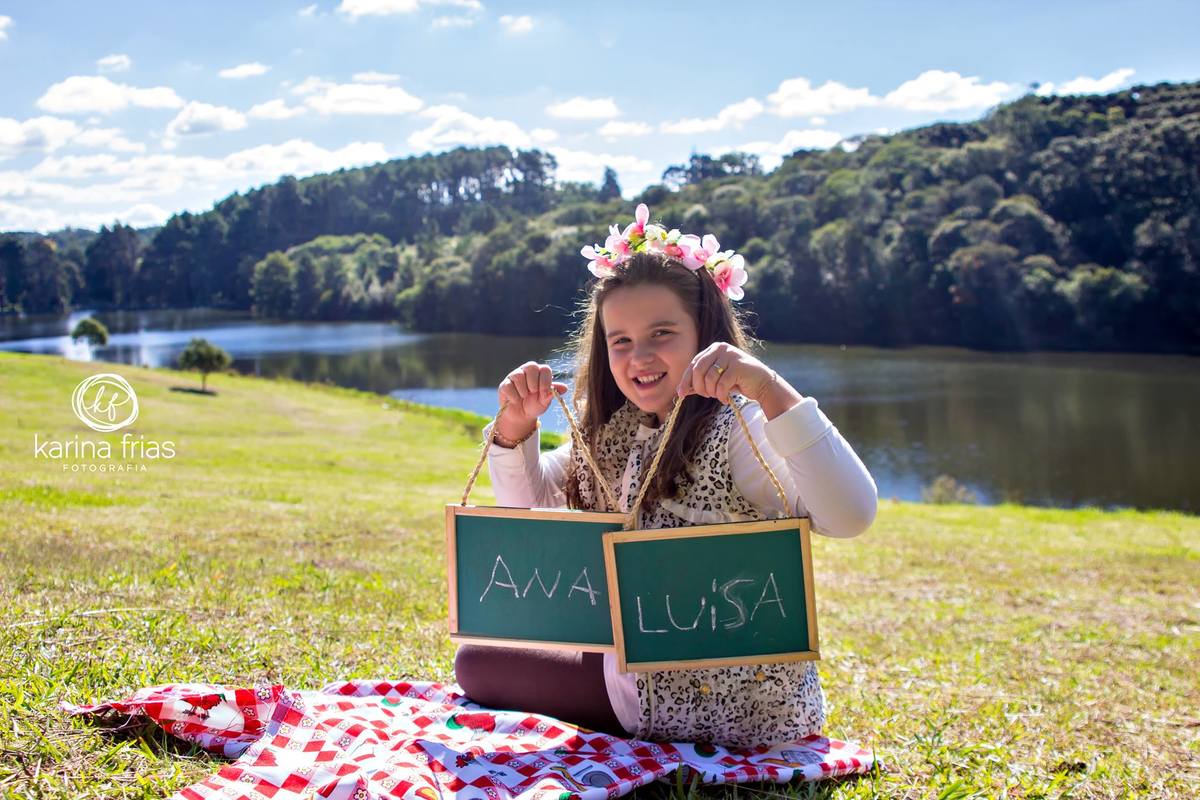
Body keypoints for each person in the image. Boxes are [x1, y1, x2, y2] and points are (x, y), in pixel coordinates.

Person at [454, 204, 877, 748]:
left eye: (662, 333)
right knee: (490, 651)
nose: (639, 357)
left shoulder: (739, 427)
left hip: (729, 705)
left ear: (707, 334)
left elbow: (851, 515)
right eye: (621, 340)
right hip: (655, 674)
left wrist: (772, 390)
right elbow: (527, 511)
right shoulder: (619, 430)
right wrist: (513, 429)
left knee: (476, 664)